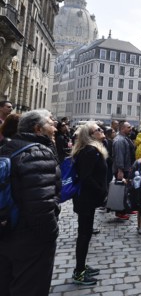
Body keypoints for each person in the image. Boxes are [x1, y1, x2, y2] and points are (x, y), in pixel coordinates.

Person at [0, 109, 61, 296]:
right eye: (51, 123)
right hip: (29, 238)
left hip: (6, 230)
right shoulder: (38, 152)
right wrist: (50, 235)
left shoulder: (7, 147)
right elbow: (41, 205)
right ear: (37, 128)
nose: (55, 128)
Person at [71, 122, 109, 285]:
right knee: (84, 235)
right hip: (86, 198)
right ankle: (79, 272)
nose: (102, 131)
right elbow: (86, 177)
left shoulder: (92, 149)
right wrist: (101, 191)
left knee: (85, 234)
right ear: (90, 135)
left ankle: (81, 266)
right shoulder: (89, 151)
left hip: (87, 198)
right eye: (98, 130)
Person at [112, 121, 135, 220]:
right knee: (121, 191)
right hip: (122, 169)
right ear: (122, 129)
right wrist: (120, 170)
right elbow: (119, 156)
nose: (131, 128)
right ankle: (120, 212)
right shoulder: (119, 140)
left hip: (127, 168)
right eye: (128, 127)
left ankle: (127, 209)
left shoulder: (125, 138)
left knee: (126, 190)